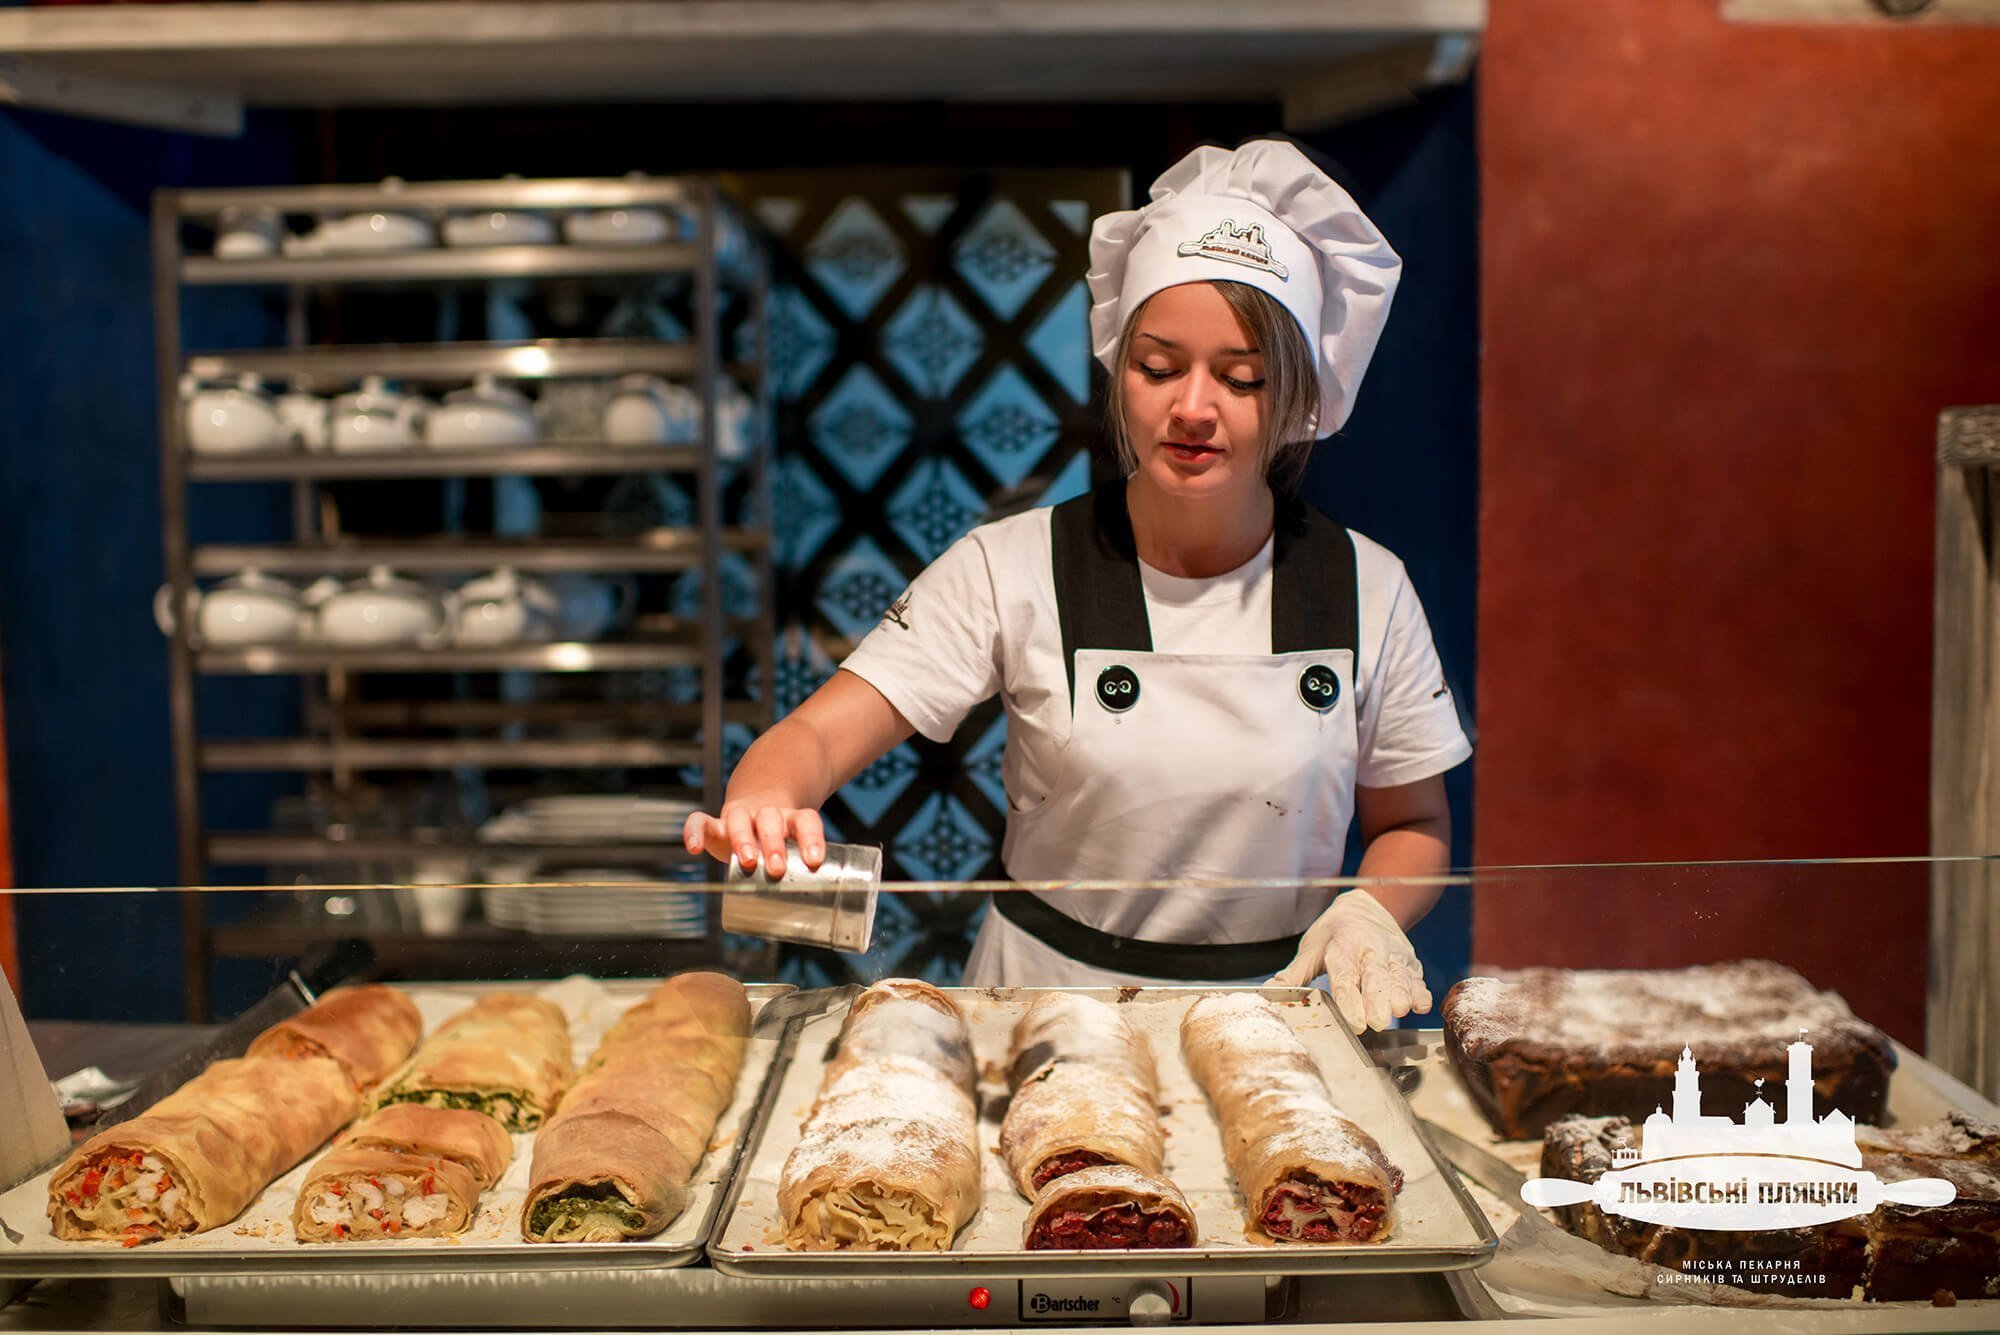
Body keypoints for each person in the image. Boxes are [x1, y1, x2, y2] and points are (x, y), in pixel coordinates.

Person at [685, 139, 1470, 1032]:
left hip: (1277, 1015)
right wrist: (764, 799)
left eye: (1241, 377)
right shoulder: (1011, 565)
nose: (1192, 409)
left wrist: (1370, 910)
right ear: (1117, 369)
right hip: (1041, 1008)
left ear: (1296, 397)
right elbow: (817, 735)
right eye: (1159, 367)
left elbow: (1415, 822)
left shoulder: (1368, 586)